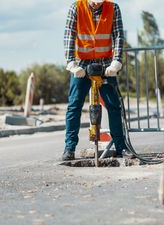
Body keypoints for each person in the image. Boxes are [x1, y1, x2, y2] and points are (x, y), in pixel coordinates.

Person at [63, 0, 128, 160]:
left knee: (114, 106)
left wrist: (116, 61)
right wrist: (71, 63)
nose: (97, 4)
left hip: (106, 64)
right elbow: (69, 35)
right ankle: (69, 148)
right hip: (82, 64)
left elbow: (118, 35)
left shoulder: (113, 8)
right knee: (74, 106)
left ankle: (121, 147)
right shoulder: (76, 8)